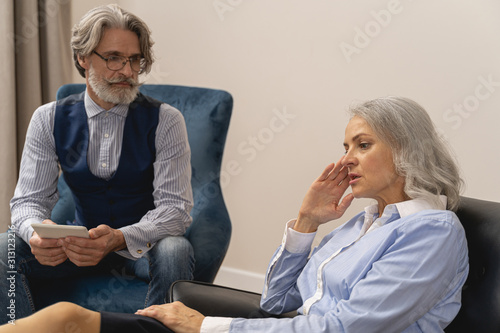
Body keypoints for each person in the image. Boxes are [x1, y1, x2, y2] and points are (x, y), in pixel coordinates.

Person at [0, 96, 469, 332]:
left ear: (407, 148)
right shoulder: (365, 223)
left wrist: (206, 325)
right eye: (345, 146)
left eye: (363, 145)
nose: (346, 158)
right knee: (65, 318)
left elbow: (340, 329)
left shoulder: (432, 230)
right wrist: (306, 222)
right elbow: (277, 302)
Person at [0, 4, 194, 324]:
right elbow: (28, 201)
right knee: (6, 245)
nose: (128, 71)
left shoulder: (166, 121)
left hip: (140, 250)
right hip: (75, 248)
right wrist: (37, 232)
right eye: (114, 58)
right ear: (83, 58)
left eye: (135, 60)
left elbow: (175, 210)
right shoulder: (48, 118)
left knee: (176, 249)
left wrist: (118, 238)